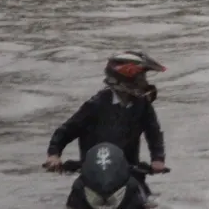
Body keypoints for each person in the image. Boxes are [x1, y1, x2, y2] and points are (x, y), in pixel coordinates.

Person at [43, 51, 168, 192]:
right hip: (93, 174)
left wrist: (158, 159)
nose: (144, 83)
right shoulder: (95, 105)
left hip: (129, 174)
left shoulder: (143, 105)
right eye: (140, 79)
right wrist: (54, 155)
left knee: (146, 203)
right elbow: (66, 131)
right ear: (124, 80)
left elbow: (154, 133)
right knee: (77, 197)